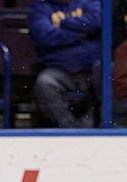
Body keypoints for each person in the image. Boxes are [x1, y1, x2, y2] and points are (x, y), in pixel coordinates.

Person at [28, 0, 101, 128]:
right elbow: (46, 36)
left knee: (109, 76)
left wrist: (62, 23)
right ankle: (70, 129)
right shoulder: (39, 8)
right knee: (44, 82)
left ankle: (92, 127)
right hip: (58, 70)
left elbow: (95, 21)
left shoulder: (89, 2)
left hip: (92, 70)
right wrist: (83, 31)